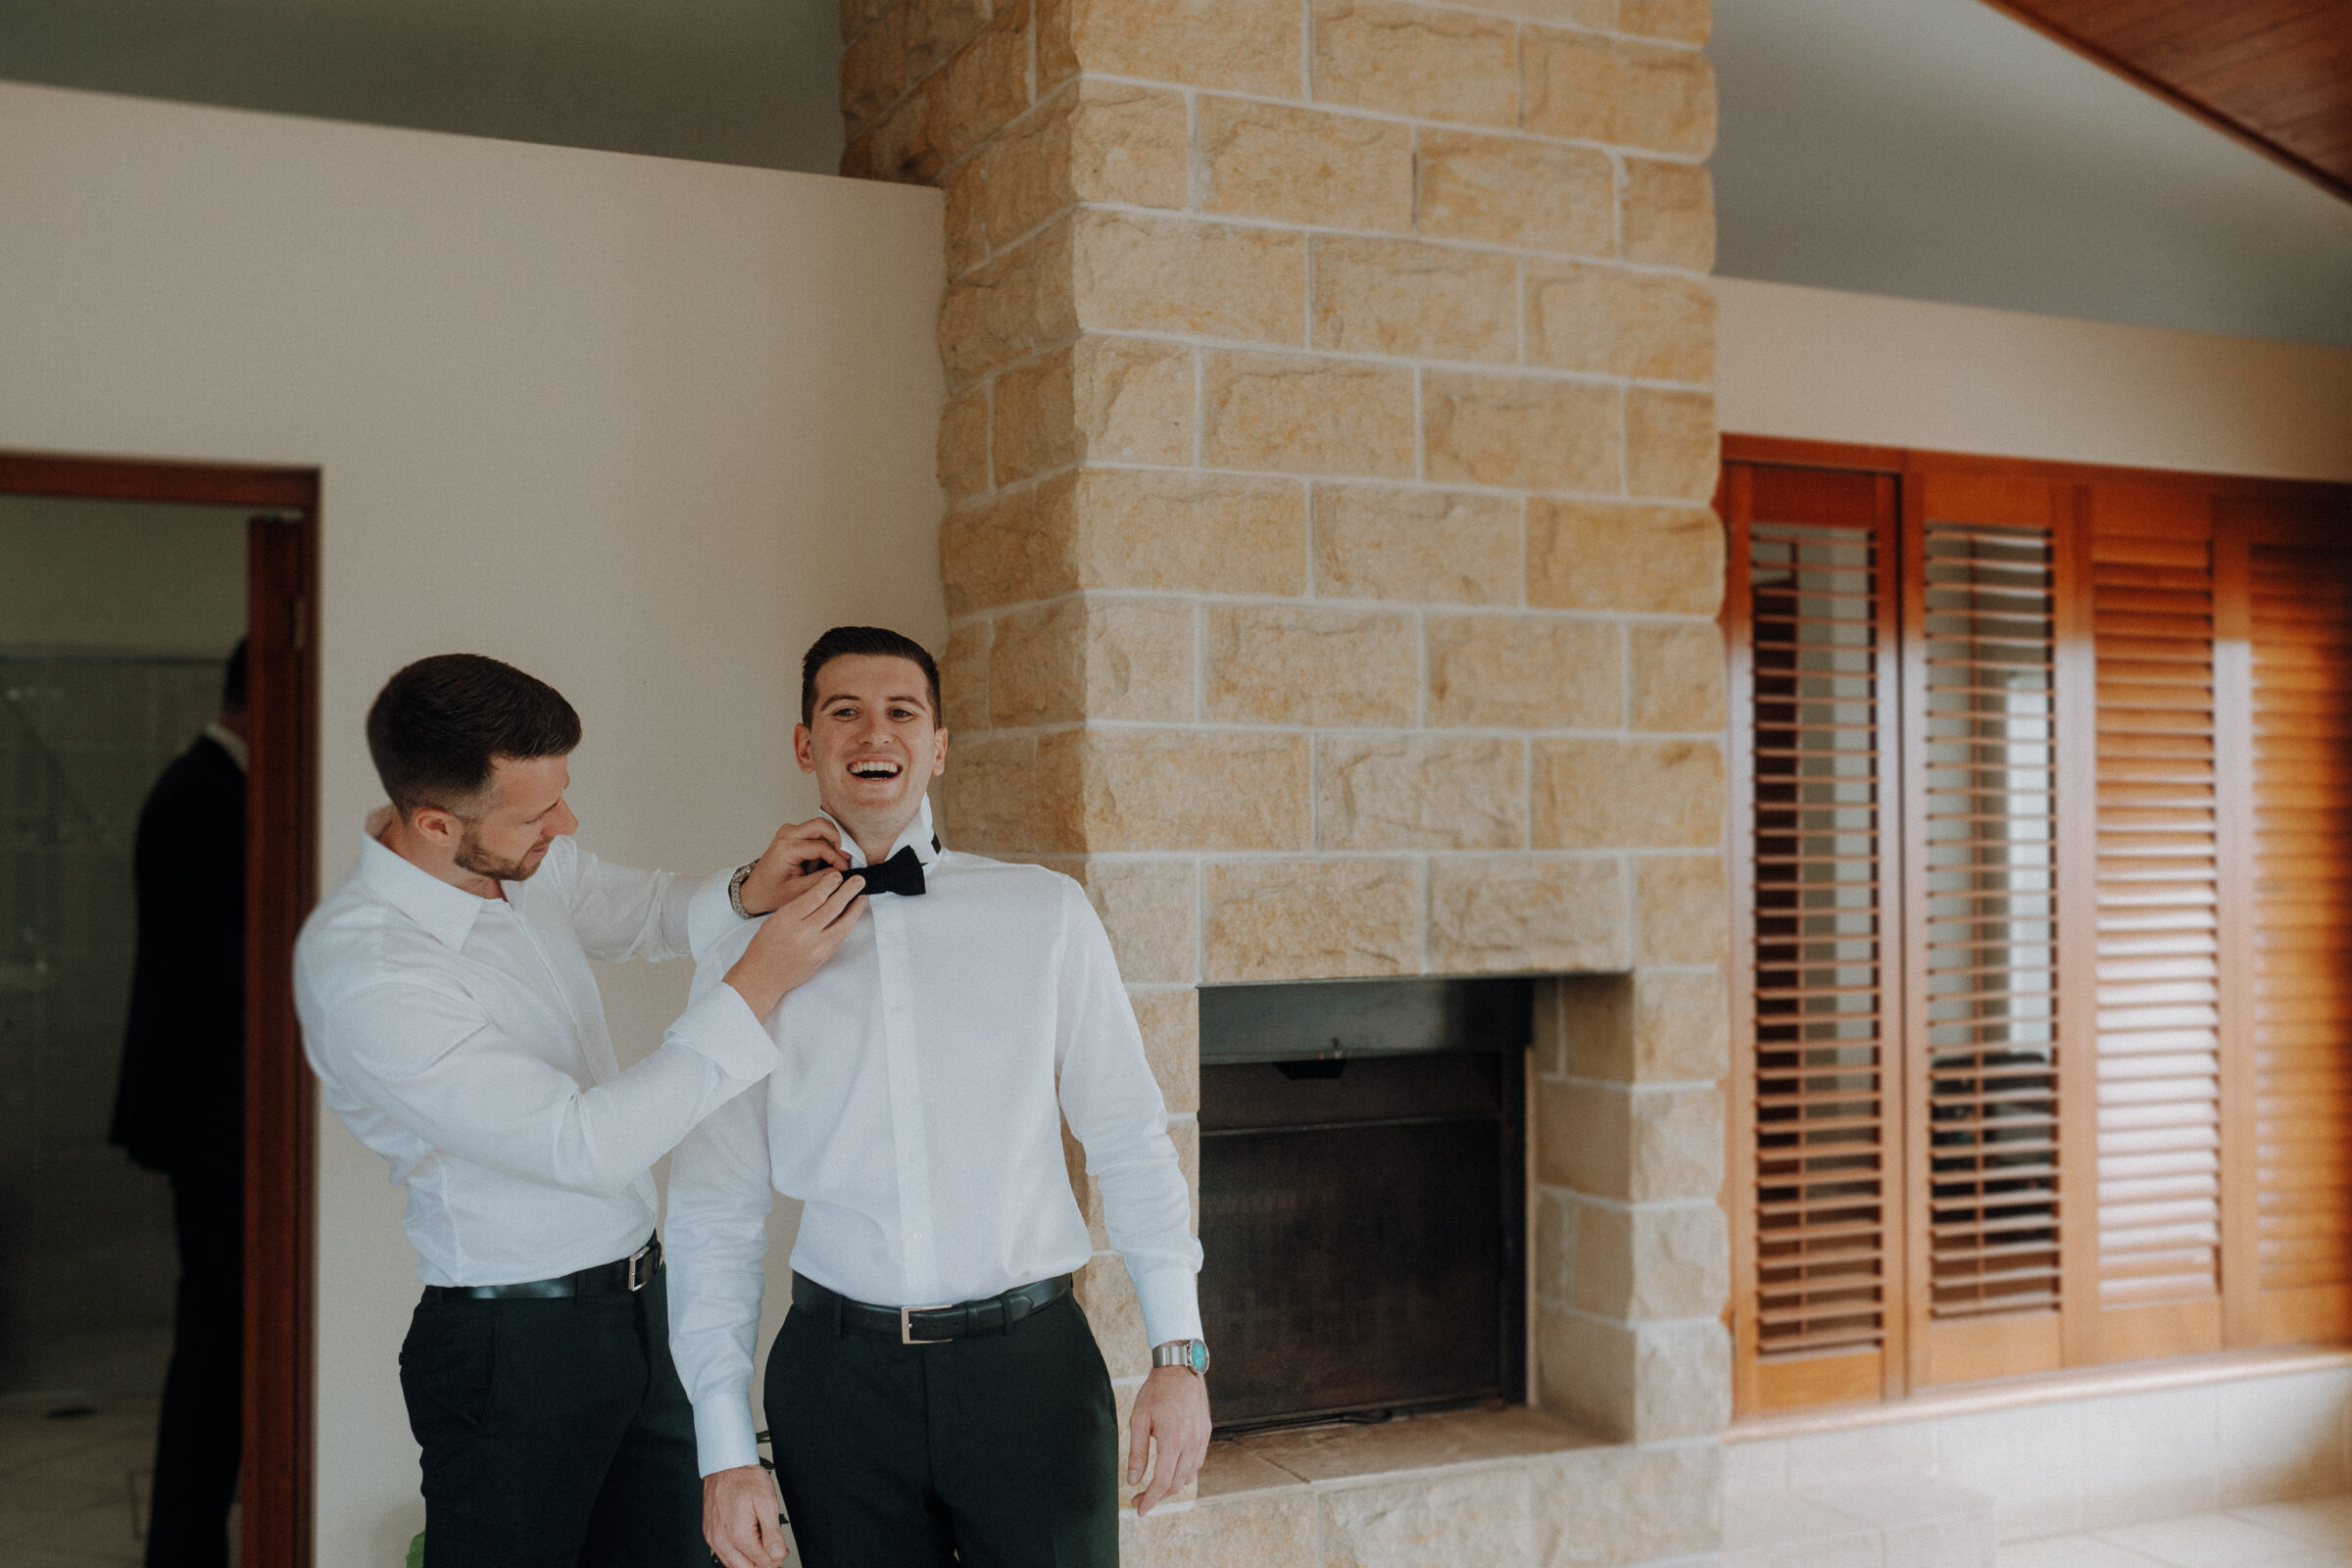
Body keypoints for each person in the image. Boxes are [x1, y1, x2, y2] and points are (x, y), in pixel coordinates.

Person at [293, 654, 868, 1568]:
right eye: (538, 813)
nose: (566, 824)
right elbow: (583, 1143)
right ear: (437, 822)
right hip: (511, 1353)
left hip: (643, 1316)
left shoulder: (515, 856)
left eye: (562, 794)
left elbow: (635, 908)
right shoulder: (369, 972)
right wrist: (756, 984)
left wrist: (746, 892)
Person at [669, 625, 1213, 1568]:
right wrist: (724, 1446)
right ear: (806, 745)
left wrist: (1179, 1353)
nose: (872, 733)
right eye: (844, 712)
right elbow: (715, 1209)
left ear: (938, 744)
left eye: (901, 712)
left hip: (1031, 1373)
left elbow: (1128, 1136)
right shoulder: (743, 955)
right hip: (839, 1384)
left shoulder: (1045, 915)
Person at [111, 639, 249, 1568]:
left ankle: (187, 1540)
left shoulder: (205, 788)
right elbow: (211, 974)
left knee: (217, 1336)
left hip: (209, 1114)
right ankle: (184, 1546)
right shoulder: (202, 797)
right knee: (213, 1341)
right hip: (211, 1119)